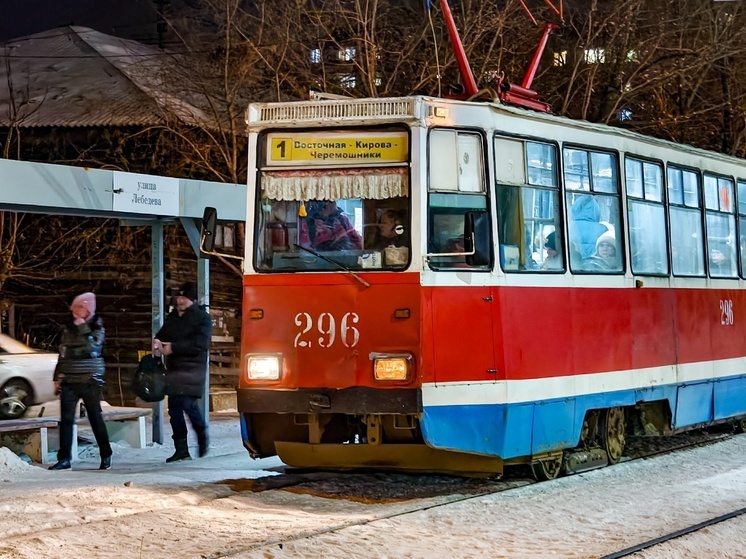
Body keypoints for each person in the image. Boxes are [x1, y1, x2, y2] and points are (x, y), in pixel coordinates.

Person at [50, 292, 112, 471]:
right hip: (69, 378)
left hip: (90, 378)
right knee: (66, 419)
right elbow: (63, 353)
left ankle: (106, 453)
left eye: (78, 308)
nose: (74, 311)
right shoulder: (68, 327)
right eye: (73, 308)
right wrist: (57, 377)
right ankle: (64, 459)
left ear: (87, 309)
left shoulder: (97, 326)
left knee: (94, 417)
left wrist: (83, 327)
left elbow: (92, 348)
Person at [153, 282, 212, 462]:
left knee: (188, 405)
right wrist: (157, 343)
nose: (180, 300)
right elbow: (163, 335)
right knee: (174, 410)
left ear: (192, 300)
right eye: (179, 297)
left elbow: (201, 345)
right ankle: (181, 449)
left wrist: (174, 348)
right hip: (174, 368)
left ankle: (201, 434)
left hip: (192, 368)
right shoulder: (173, 318)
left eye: (184, 297)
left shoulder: (202, 318)